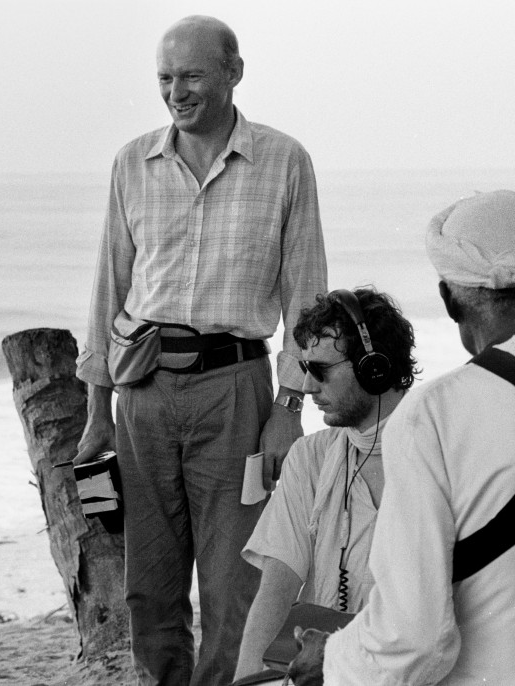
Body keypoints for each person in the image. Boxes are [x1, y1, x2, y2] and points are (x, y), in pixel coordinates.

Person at [73, 14, 327, 685]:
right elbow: (109, 288)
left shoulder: (285, 161)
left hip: (235, 392)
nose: (175, 92)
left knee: (232, 585)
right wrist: (97, 410)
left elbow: (306, 295)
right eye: (164, 77)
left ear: (233, 72)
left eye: (190, 76)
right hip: (142, 395)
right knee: (149, 586)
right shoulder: (131, 162)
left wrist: (288, 409)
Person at [290, 190, 515, 685]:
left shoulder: (434, 416)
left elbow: (413, 638)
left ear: (449, 299)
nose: (307, 386)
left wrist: (332, 659)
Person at [233, 287, 417, 680]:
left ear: (374, 367)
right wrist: (246, 680)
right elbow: (276, 589)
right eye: (304, 369)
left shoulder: (439, 453)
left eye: (321, 371)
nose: (307, 386)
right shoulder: (310, 457)